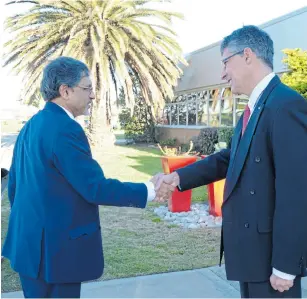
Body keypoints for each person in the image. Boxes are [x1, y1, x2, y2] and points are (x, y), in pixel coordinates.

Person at [154, 25, 307, 298]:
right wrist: (178, 178)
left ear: (247, 55)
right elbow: (229, 158)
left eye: (226, 62)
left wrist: (285, 265)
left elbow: (296, 192)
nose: (223, 73)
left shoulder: (285, 105)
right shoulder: (255, 106)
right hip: (252, 254)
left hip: (271, 259)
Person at [2, 57, 171, 298]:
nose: (92, 95)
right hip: (56, 253)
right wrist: (150, 190)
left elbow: (15, 188)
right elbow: (94, 188)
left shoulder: (32, 125)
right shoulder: (65, 128)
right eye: (87, 88)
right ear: (65, 91)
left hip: (28, 247)